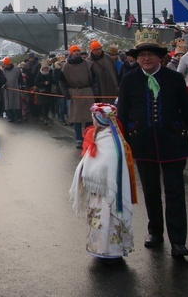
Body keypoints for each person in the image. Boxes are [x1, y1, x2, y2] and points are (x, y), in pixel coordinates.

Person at [117, 29, 188, 257]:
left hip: (173, 143)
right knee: (151, 192)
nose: (146, 58)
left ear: (160, 57)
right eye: (142, 55)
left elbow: (187, 112)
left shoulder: (174, 78)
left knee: (175, 193)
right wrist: (122, 144)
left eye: (151, 54)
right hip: (143, 144)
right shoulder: (129, 79)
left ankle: (178, 241)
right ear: (137, 58)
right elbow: (123, 114)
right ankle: (155, 232)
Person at [70, 103, 137, 263]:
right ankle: (101, 249)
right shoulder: (106, 137)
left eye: (93, 119)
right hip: (101, 193)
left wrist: (86, 175)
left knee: (107, 220)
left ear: (99, 120)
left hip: (108, 194)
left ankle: (110, 252)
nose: (92, 122)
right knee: (102, 222)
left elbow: (100, 166)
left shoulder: (109, 140)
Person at [60, 45, 98, 148]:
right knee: (77, 118)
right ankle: (78, 139)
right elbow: (62, 81)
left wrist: (95, 91)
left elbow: (94, 79)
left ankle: (88, 137)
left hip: (87, 91)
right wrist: (66, 93)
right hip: (74, 91)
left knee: (89, 117)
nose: (77, 52)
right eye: (74, 51)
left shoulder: (88, 64)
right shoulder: (66, 66)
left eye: (78, 51)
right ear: (71, 53)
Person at [1, 57, 23, 122]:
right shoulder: (3, 71)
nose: (4, 66)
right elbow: (2, 80)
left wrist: (22, 86)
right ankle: (11, 117)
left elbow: (20, 79)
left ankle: (18, 117)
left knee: (17, 103)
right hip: (7, 90)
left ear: (9, 64)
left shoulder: (17, 70)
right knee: (8, 104)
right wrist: (3, 85)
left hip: (16, 89)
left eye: (5, 64)